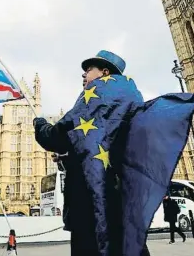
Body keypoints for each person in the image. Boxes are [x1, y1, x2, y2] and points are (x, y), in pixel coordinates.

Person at [33, 50, 149, 256]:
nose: (83, 75)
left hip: (90, 200)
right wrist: (70, 157)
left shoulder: (97, 96)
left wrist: (40, 124)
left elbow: (56, 137)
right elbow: (104, 146)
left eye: (88, 70)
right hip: (123, 196)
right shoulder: (130, 98)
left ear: (104, 73)